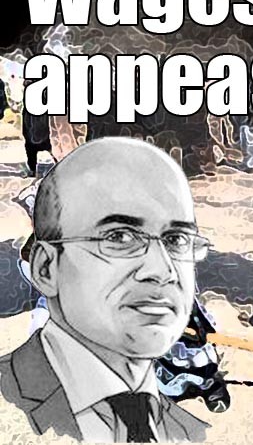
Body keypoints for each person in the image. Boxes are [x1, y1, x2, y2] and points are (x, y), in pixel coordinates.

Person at [0, 137, 211, 442]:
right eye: (119, 237)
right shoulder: (11, 407)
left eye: (176, 239)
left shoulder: (188, 432)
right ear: (46, 267)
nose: (163, 270)